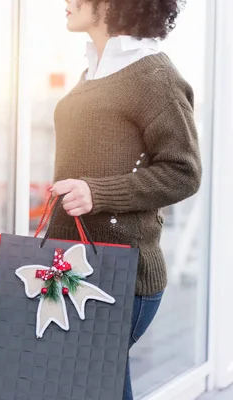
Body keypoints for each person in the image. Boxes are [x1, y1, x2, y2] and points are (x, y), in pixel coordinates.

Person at [48, 1, 201, 399]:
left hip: (120, 274)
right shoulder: (93, 69)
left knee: (95, 386)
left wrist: (98, 193)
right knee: (93, 386)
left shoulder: (155, 75)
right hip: (72, 266)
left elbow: (184, 171)